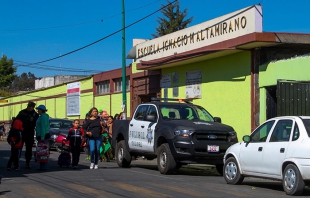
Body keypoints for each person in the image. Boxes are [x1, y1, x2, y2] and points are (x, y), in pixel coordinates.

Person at [15, 101, 39, 169]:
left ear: (33, 107)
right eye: (28, 106)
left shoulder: (35, 114)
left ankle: (27, 163)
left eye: (30, 107)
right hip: (21, 132)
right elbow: (16, 120)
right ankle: (16, 163)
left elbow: (37, 124)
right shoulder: (22, 112)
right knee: (18, 148)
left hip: (30, 133)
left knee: (29, 149)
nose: (29, 108)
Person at [35, 104, 50, 171]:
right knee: (40, 152)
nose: (37, 111)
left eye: (38, 109)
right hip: (40, 136)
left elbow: (43, 127)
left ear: (41, 110)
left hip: (43, 136)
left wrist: (42, 137)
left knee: (43, 152)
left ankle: (44, 166)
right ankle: (42, 166)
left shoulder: (43, 117)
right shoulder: (41, 116)